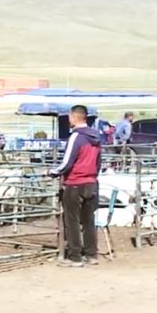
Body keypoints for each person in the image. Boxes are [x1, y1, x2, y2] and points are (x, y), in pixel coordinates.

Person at [47, 105, 102, 267]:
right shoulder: (96, 137)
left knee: (72, 221)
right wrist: (93, 176)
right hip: (91, 182)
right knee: (89, 220)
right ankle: (91, 254)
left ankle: (75, 256)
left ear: (74, 117)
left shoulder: (76, 137)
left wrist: (53, 172)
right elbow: (99, 162)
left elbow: (67, 162)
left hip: (75, 183)